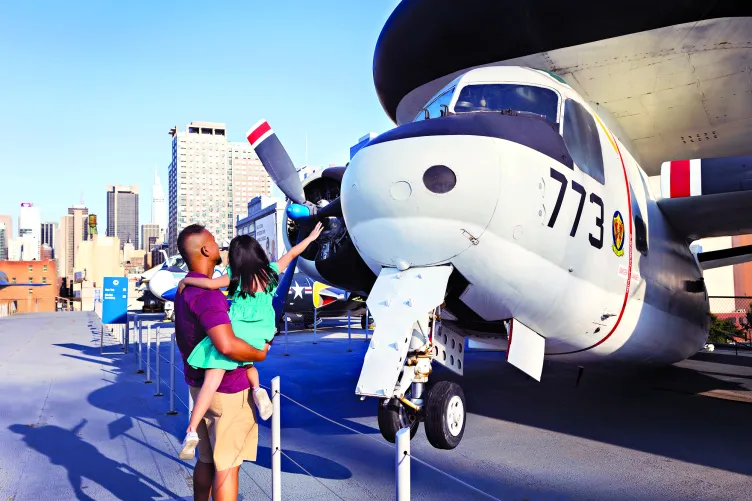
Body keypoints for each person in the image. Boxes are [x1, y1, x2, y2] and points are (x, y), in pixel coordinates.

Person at [176, 222, 324, 462]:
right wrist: (311, 237)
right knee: (250, 365)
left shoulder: (235, 277)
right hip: (262, 333)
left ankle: (192, 430)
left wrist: (186, 282)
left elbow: (210, 284)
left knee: (212, 379)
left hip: (238, 333)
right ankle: (258, 391)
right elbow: (294, 253)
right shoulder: (270, 272)